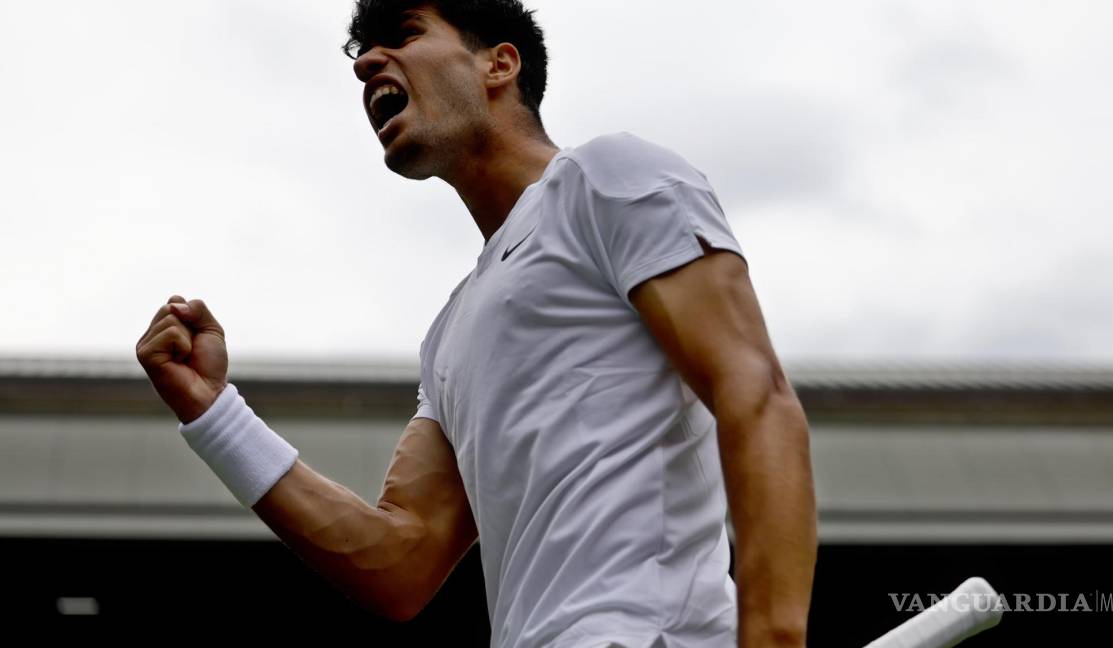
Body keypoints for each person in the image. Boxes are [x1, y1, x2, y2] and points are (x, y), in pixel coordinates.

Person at [135, 1, 817, 646]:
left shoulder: (609, 176)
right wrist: (214, 415)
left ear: (499, 64)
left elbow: (755, 399)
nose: (366, 65)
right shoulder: (450, 332)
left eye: (403, 35)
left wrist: (774, 639)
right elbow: (398, 559)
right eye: (364, 52)